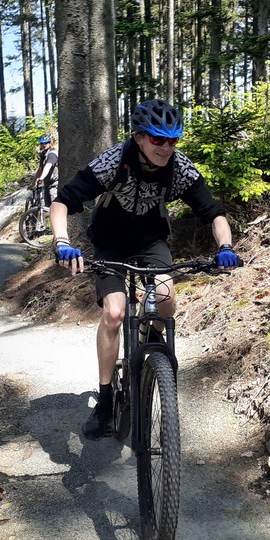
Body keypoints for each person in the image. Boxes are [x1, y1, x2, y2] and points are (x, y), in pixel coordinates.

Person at [49, 98, 240, 439]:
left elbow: (213, 213)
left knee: (165, 297)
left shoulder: (179, 168)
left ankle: (150, 347)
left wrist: (225, 246)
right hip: (109, 241)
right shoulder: (114, 161)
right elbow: (63, 201)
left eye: (173, 140)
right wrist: (62, 242)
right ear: (138, 137)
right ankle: (105, 401)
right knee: (114, 313)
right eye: (157, 139)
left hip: (151, 241)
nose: (166, 147)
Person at [34, 135, 59, 208]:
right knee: (47, 208)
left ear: (50, 143)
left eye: (46, 143)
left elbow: (48, 166)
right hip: (47, 185)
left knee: (54, 208)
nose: (44, 145)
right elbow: (40, 169)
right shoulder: (43, 155)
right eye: (42, 143)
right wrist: (34, 182)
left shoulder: (52, 154)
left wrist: (41, 178)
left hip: (54, 185)